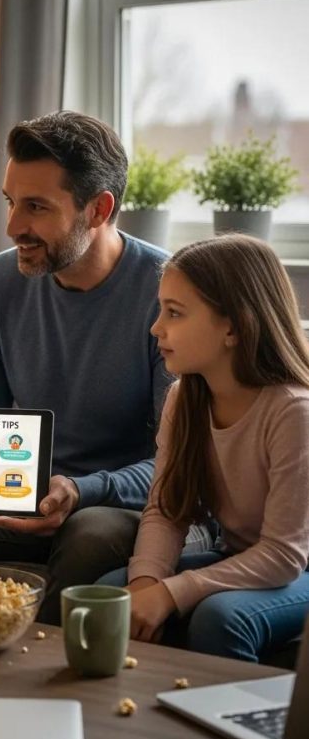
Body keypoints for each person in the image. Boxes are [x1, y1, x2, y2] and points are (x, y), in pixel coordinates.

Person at [0, 111, 210, 623]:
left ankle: (36, 677)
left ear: (98, 209)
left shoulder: (168, 293)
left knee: (89, 534)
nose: (12, 227)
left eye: (35, 207)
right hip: (20, 492)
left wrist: (78, 491)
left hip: (122, 504)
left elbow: (181, 461)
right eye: (10, 202)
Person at [98, 236, 309, 662]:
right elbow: (165, 508)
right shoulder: (184, 398)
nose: (157, 327)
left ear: (233, 326)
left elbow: (285, 555)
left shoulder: (293, 412)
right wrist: (145, 583)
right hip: (243, 556)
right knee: (109, 595)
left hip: (297, 568)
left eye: (174, 313)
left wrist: (172, 593)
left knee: (221, 617)